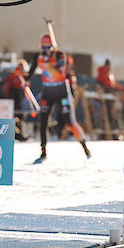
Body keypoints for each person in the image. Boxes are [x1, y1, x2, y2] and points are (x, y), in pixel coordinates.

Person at [28, 34, 91, 162]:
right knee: (43, 120)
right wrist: (26, 79)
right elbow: (31, 71)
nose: (45, 49)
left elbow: (60, 71)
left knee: (69, 121)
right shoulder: (38, 57)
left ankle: (84, 146)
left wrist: (49, 61)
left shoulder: (59, 55)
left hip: (61, 90)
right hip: (48, 91)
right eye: (43, 46)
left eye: (48, 46)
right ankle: (43, 151)